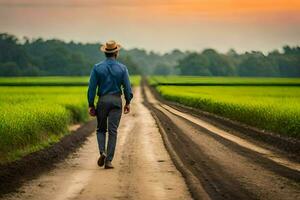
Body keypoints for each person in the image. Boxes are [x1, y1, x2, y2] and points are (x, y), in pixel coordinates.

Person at [87, 40, 133, 169]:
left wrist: (91, 104)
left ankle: (102, 152)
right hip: (116, 101)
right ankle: (108, 161)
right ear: (116, 52)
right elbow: (127, 88)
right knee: (113, 131)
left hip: (102, 101)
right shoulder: (122, 68)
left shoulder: (97, 67)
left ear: (105, 53)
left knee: (101, 129)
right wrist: (128, 102)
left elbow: (91, 88)